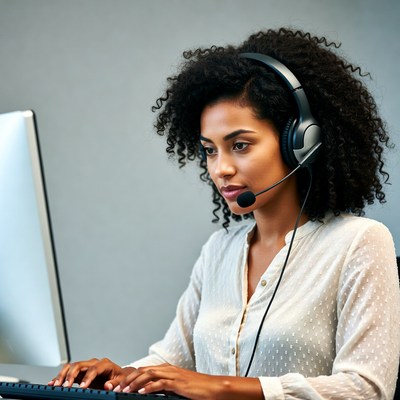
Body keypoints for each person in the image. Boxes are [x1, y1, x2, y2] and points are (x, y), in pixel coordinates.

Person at [49, 28, 400, 399]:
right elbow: (171, 361)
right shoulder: (220, 250)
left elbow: (367, 389)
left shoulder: (358, 243)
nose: (221, 169)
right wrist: (120, 375)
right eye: (210, 150)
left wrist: (223, 387)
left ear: (300, 142)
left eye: (240, 145)